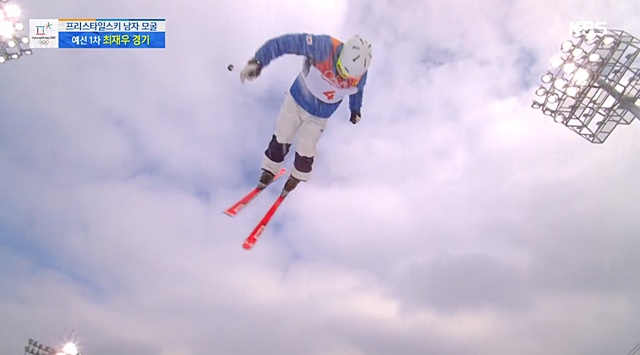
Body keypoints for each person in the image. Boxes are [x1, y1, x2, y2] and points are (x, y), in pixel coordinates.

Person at [239, 33, 372, 194]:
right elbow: (286, 43)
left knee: (306, 147)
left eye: (348, 75)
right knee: (283, 134)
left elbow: (357, 92)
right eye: (342, 70)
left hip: (320, 115)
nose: (343, 77)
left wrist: (355, 109)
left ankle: (297, 176)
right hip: (297, 99)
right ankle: (270, 169)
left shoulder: (360, 77)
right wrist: (258, 61)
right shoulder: (323, 47)